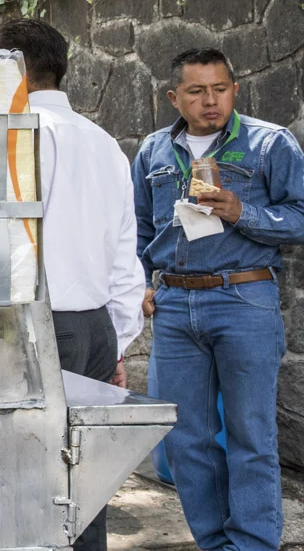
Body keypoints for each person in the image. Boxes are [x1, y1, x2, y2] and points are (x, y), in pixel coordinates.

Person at [132, 48, 304, 551]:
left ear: (234, 89)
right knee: (185, 438)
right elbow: (137, 228)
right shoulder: (153, 151)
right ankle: (215, 543)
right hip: (174, 304)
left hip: (244, 297)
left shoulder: (269, 143)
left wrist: (240, 211)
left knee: (251, 435)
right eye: (197, 91)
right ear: (174, 97)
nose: (211, 100)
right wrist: (142, 282)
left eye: (220, 89)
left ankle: (252, 545)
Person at [0, 20, 145, 551]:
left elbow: (6, 244)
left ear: (13, 69)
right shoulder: (104, 143)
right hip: (95, 325)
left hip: (37, 326)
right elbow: (125, 255)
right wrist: (116, 342)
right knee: (82, 481)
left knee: (27, 480)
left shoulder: (20, 134)